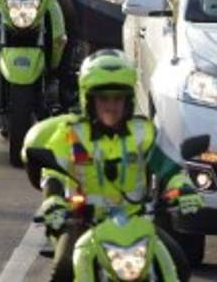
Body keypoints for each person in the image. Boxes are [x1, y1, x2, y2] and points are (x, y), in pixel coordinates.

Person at [22, 50, 203, 278]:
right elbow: (53, 173)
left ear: (128, 100)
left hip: (137, 224)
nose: (111, 105)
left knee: (179, 264)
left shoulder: (142, 132)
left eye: (118, 98)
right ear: (88, 98)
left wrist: (183, 188)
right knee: (64, 270)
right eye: (103, 98)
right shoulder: (73, 134)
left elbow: (167, 166)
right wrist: (53, 200)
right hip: (82, 223)